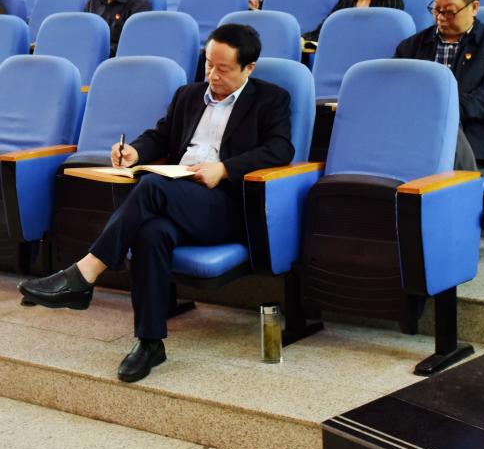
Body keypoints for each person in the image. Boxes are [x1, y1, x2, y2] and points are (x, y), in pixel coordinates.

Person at [19, 23, 295, 384]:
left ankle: (84, 274)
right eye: (209, 64)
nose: (213, 75)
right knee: (150, 232)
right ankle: (150, 343)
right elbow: (160, 136)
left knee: (151, 188)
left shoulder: (270, 99)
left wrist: (225, 169)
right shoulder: (188, 95)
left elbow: (280, 149)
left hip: (225, 206)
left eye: (223, 69)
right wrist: (134, 152)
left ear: (249, 68)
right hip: (176, 196)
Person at [394, 0, 484, 228]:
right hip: (417, 137)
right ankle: (479, 202)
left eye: (449, 12)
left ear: (474, 7)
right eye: (436, 9)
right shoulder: (411, 47)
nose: (440, 17)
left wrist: (448, 110)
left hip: (472, 139)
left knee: (445, 117)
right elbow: (397, 90)